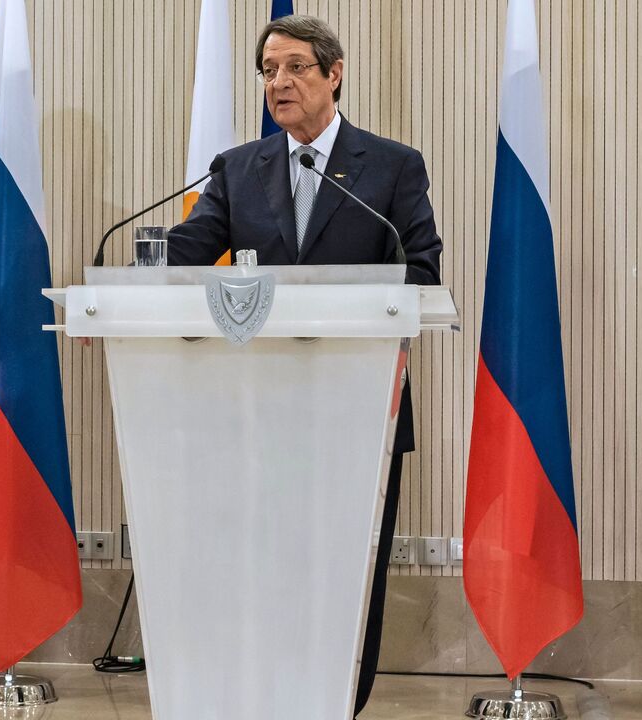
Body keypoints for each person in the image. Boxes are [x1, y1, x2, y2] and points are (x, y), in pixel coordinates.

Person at [167, 15, 442, 716]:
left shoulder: (392, 166)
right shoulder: (238, 168)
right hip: (254, 408)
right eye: (268, 71)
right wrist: (120, 298)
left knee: (348, 574)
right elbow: (185, 256)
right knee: (259, 569)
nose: (278, 83)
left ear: (334, 73)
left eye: (294, 67)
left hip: (360, 407)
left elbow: (420, 270)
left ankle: (340, 702)